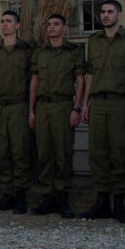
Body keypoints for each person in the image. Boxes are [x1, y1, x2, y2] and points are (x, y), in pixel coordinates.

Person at [80, 0, 125, 224]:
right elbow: (91, 74)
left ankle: (118, 204)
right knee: (97, 153)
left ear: (120, 14)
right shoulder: (94, 41)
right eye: (103, 12)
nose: (105, 15)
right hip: (98, 102)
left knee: (118, 153)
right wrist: (85, 103)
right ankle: (101, 202)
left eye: (110, 12)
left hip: (120, 103)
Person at [28, 13, 85, 218]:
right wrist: (31, 110)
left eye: (56, 25)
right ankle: (48, 197)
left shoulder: (73, 51)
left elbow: (80, 81)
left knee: (62, 152)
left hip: (63, 105)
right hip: (43, 106)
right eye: (49, 25)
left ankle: (62, 197)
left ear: (64, 27)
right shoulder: (39, 53)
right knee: (44, 153)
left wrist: (77, 108)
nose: (52, 28)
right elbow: (34, 82)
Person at [0, 10, 34, 214]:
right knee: (3, 152)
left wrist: (31, 109)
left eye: (9, 21)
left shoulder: (27, 50)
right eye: (2, 21)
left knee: (20, 152)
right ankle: (8, 193)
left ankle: (21, 194)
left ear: (18, 26)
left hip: (19, 106)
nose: (4, 24)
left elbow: (34, 81)